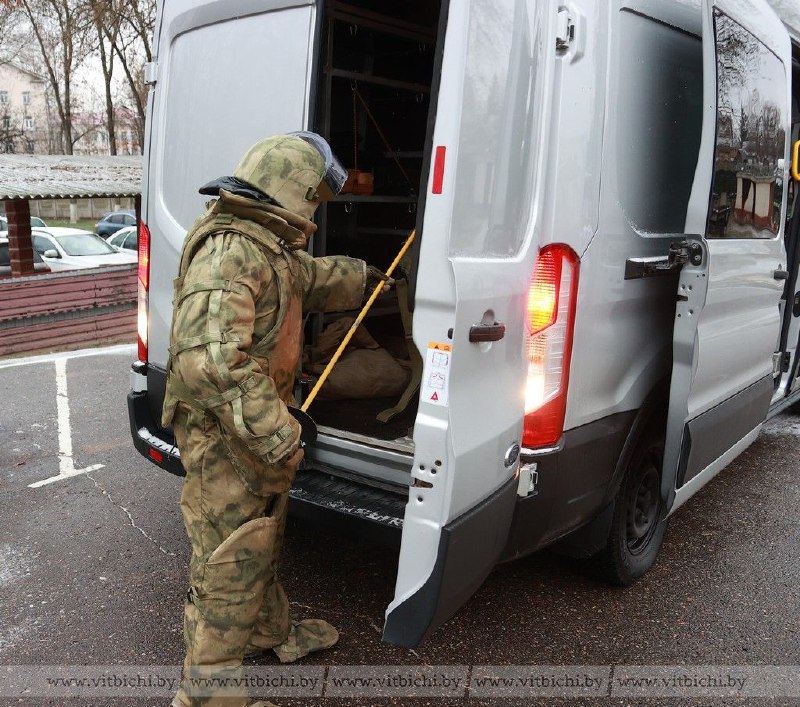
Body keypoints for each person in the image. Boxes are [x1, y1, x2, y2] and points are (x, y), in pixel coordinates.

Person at [162, 133, 392, 707]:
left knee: (259, 539)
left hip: (249, 437)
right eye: (316, 196)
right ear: (294, 191)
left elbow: (305, 281)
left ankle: (268, 632)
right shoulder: (231, 252)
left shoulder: (265, 246)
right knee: (227, 562)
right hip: (224, 440)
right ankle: (207, 696)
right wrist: (278, 432)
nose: (316, 208)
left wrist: (373, 277)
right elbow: (207, 364)